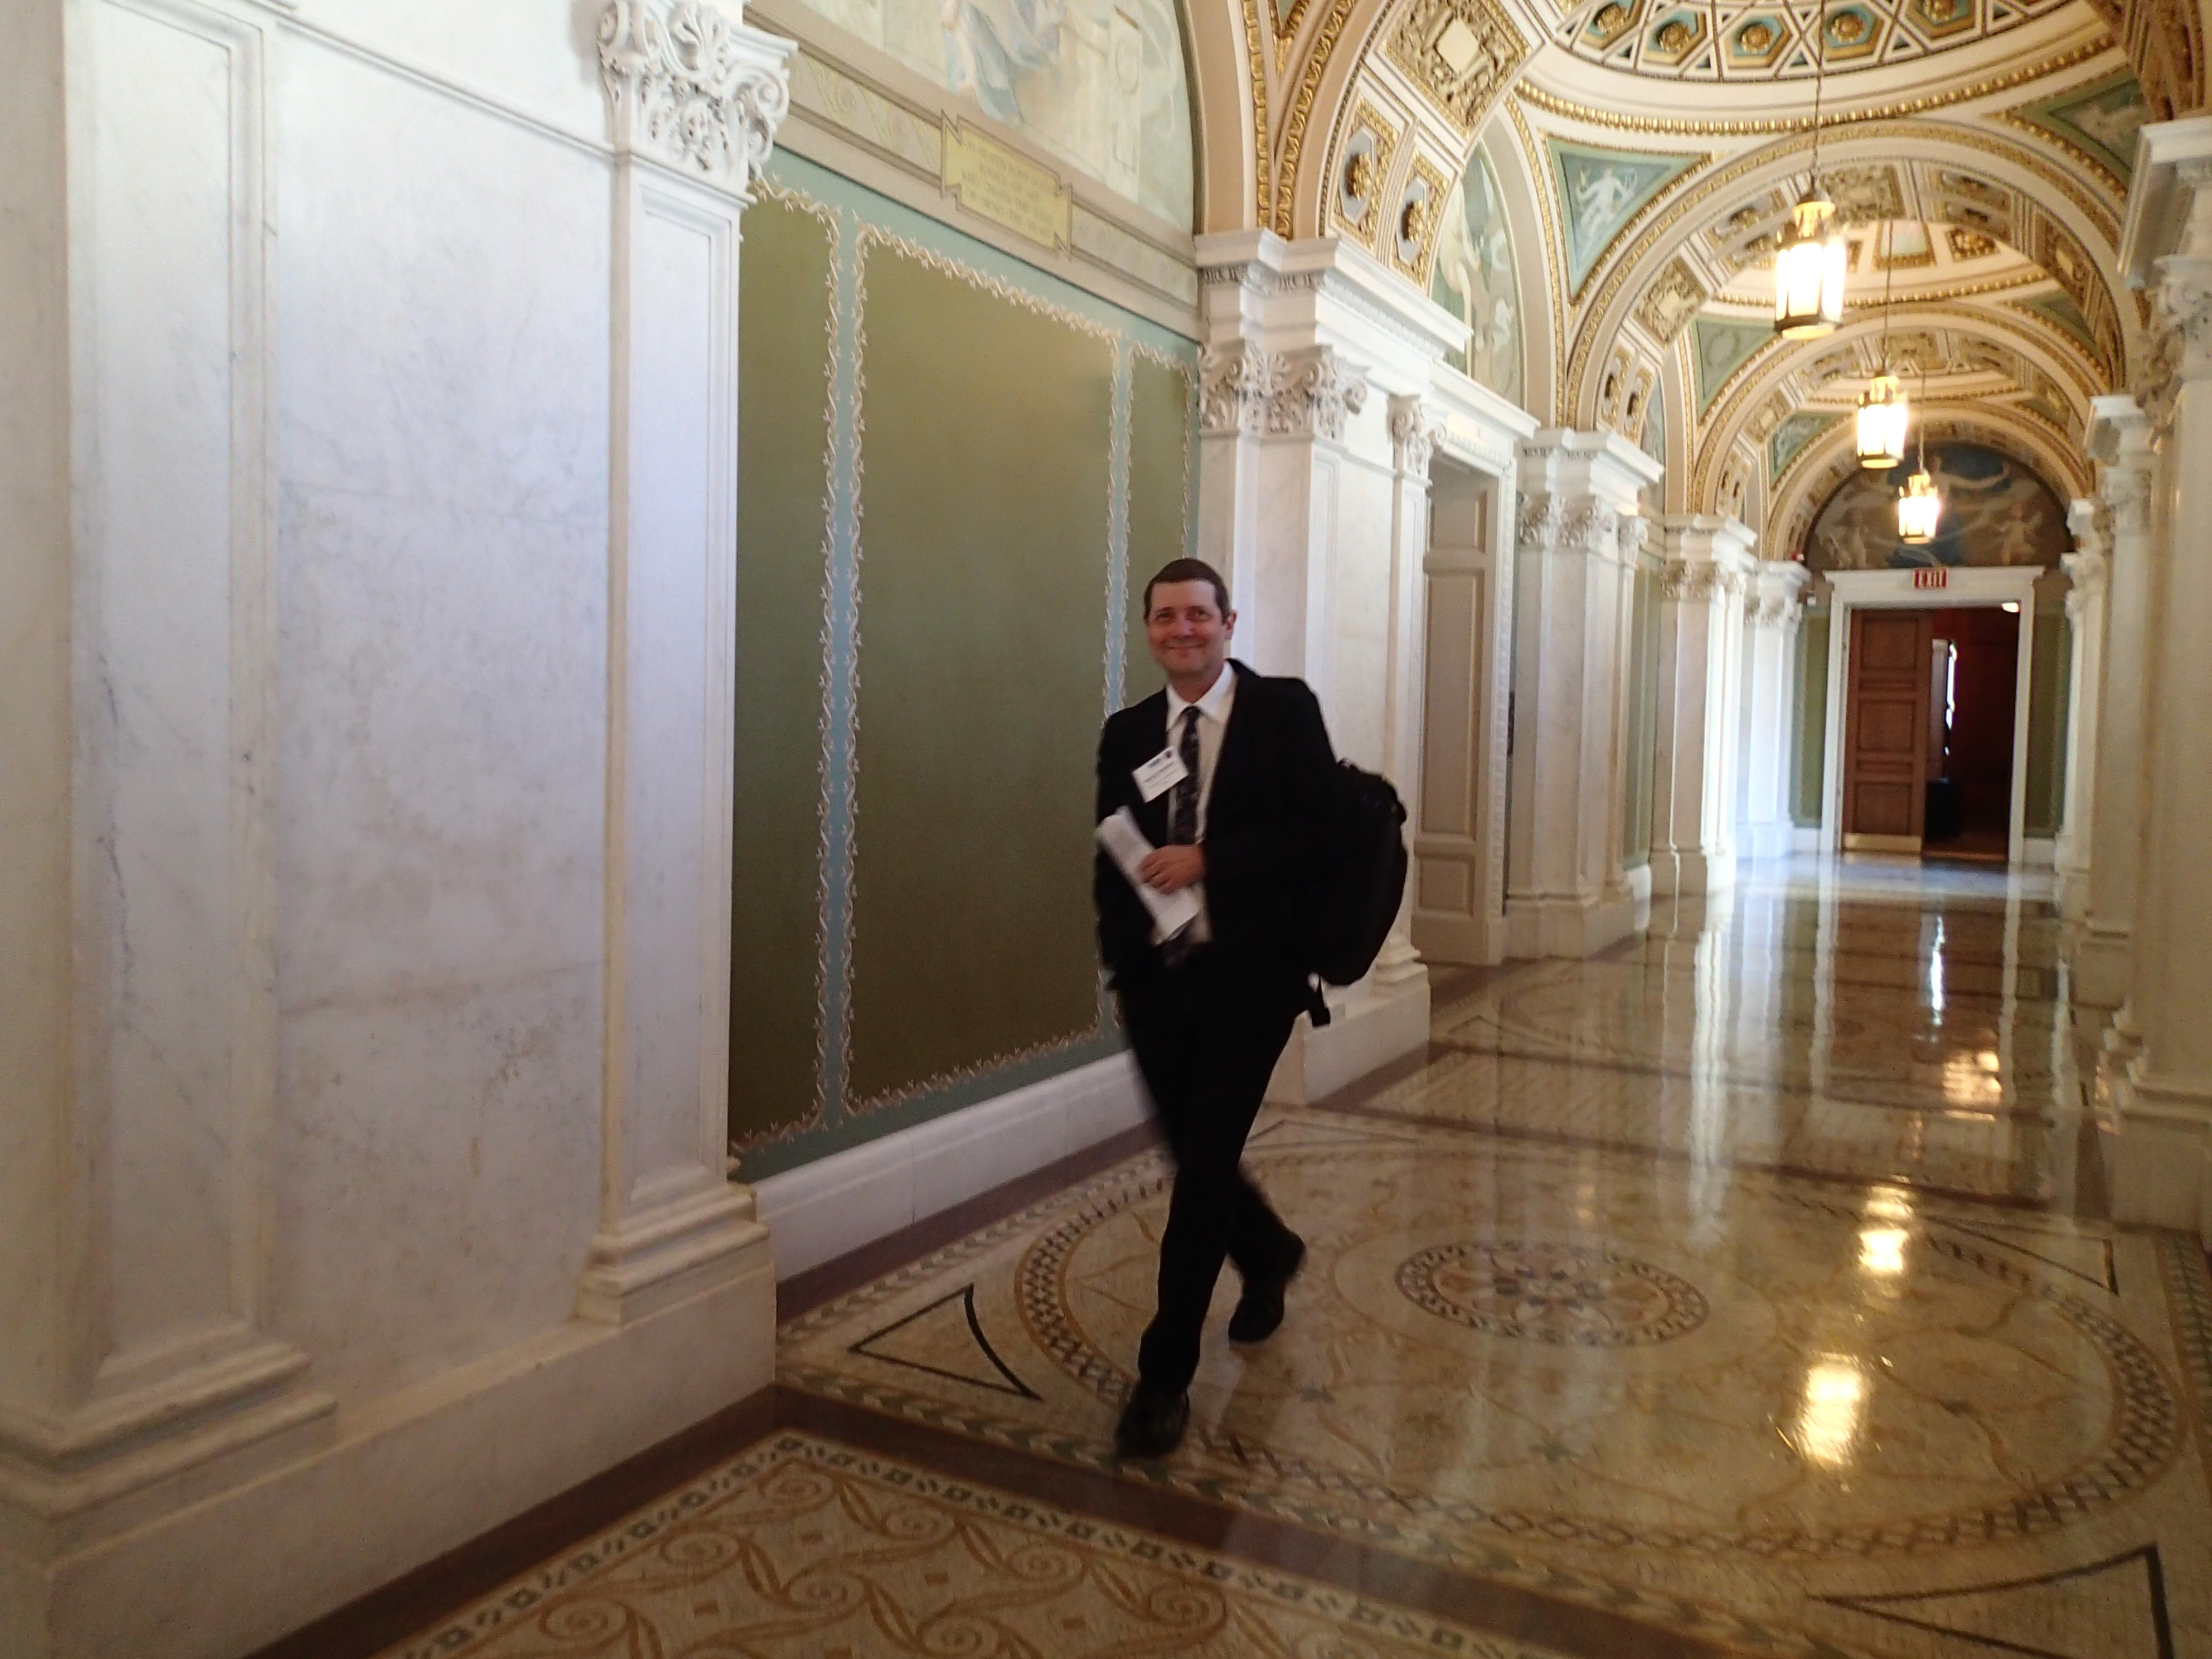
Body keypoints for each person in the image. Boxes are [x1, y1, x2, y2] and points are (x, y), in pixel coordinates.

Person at [1094, 557, 1340, 1458]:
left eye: (1200, 615)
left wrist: (1211, 861)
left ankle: (1163, 1379)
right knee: (1195, 1154)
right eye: (1166, 618)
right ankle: (1268, 1249)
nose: (1183, 631)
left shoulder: (1284, 712)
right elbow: (1111, 853)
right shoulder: (1129, 733)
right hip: (1157, 984)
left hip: (1252, 983)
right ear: (1151, 630)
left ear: (1229, 623)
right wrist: (1122, 968)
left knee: (1200, 1176)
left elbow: (1318, 836)